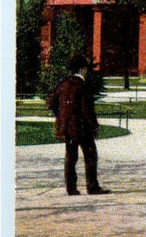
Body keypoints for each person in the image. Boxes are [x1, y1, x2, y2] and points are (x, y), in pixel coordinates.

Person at [46, 55, 110, 195]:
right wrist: (94, 125)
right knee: (90, 155)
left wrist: (61, 116)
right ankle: (92, 186)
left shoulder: (62, 84)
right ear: (82, 69)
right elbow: (87, 109)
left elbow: (51, 102)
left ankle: (71, 187)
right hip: (82, 128)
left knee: (70, 157)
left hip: (67, 128)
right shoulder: (82, 86)